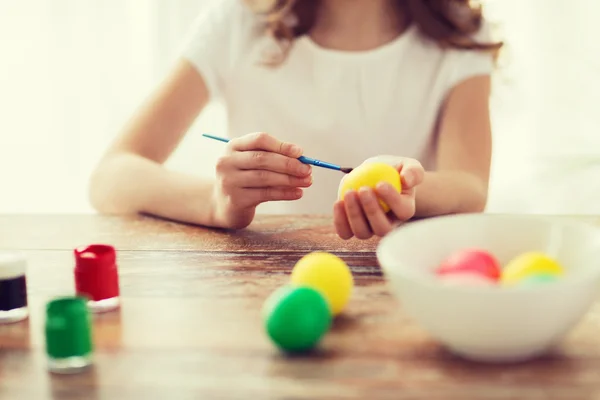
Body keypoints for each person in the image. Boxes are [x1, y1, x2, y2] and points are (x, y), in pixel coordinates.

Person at [89, 0, 502, 240]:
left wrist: (409, 187)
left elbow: (469, 186)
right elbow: (111, 177)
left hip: (398, 286)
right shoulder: (237, 23)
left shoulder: (461, 36)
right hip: (258, 289)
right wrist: (216, 203)